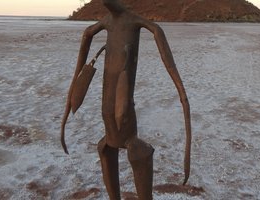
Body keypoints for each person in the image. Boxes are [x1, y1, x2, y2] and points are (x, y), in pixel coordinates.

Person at [61, 0, 191, 199]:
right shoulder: (106, 21)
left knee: (136, 149)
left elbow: (157, 32)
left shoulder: (134, 21)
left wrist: (182, 94)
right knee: (106, 147)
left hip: (124, 112)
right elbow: (87, 34)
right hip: (108, 111)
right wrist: (71, 98)